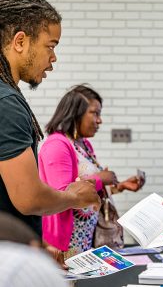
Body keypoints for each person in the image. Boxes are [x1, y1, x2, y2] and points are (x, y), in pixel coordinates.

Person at [0, 0, 100, 259]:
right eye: (51, 45)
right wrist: (75, 196)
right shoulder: (7, 102)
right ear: (20, 41)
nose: (53, 58)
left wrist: (37, 244)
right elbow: (28, 197)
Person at [39, 84, 144, 257]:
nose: (99, 120)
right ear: (75, 113)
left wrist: (120, 187)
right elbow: (62, 195)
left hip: (85, 239)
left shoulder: (84, 144)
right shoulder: (57, 145)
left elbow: (87, 193)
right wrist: (100, 179)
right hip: (65, 244)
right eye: (95, 113)